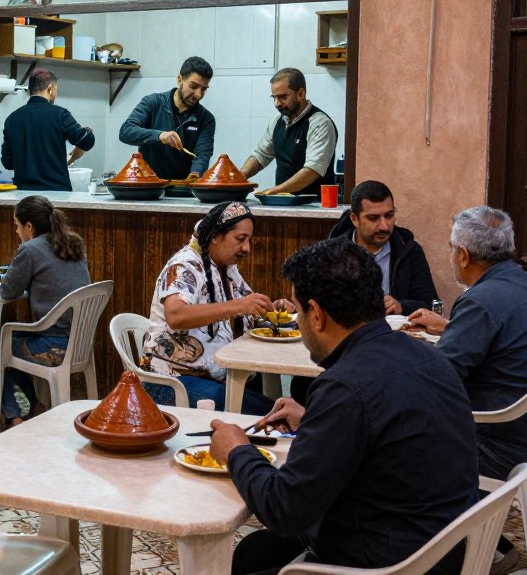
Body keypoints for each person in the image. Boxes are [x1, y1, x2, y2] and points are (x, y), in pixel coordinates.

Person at [209, 238, 478, 575]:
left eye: (298, 311)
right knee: (258, 550)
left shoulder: (345, 386)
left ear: (317, 315)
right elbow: (386, 430)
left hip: (389, 563)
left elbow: (284, 510)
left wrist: (236, 450)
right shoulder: (429, 356)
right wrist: (314, 420)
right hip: (439, 547)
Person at [406, 206, 527, 574]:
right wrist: (450, 327)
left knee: (395, 435)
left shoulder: (479, 300)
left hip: (496, 443)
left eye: (450, 248)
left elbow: (439, 382)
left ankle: (437, 550)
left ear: (463, 255)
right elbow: (505, 340)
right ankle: (485, 543)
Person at [140, 202, 287, 415]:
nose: (247, 248)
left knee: (275, 406)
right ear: (216, 236)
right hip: (173, 382)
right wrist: (238, 306)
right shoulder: (184, 266)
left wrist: (274, 309)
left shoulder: (225, 268)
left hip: (215, 377)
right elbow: (176, 315)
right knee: (270, 414)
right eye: (240, 239)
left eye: (248, 240)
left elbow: (243, 313)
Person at [0, 196, 90, 428]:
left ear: (29, 227)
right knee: (11, 341)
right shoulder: (73, 243)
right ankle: (36, 405)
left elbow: (8, 291)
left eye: (16, 226)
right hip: (79, 341)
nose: (16, 231)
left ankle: (13, 416)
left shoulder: (30, 249)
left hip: (51, 346)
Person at [328, 180, 438, 315]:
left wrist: (401, 306)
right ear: (354, 219)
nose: (384, 226)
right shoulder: (333, 253)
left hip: (396, 332)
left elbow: (430, 304)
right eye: (373, 218)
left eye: (389, 215)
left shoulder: (409, 251)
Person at [239, 67, 337, 196]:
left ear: (301, 93)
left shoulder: (320, 123)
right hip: (283, 202)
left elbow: (313, 170)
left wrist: (274, 191)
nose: (277, 103)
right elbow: (261, 155)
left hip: (313, 205)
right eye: (274, 97)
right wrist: (237, 178)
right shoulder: (277, 121)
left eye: (283, 97)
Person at [118, 56, 215, 180]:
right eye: (193, 86)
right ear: (180, 80)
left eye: (204, 89)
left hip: (183, 189)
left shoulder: (206, 118)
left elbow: (203, 154)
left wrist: (195, 175)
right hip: (149, 186)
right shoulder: (152, 103)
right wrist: (159, 136)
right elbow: (126, 131)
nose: (199, 94)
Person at [0, 69, 95, 191]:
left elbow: (7, 162)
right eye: (56, 90)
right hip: (57, 193)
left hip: (24, 194)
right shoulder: (60, 115)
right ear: (50, 89)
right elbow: (86, 141)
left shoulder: (12, 119)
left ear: (29, 91)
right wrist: (87, 131)